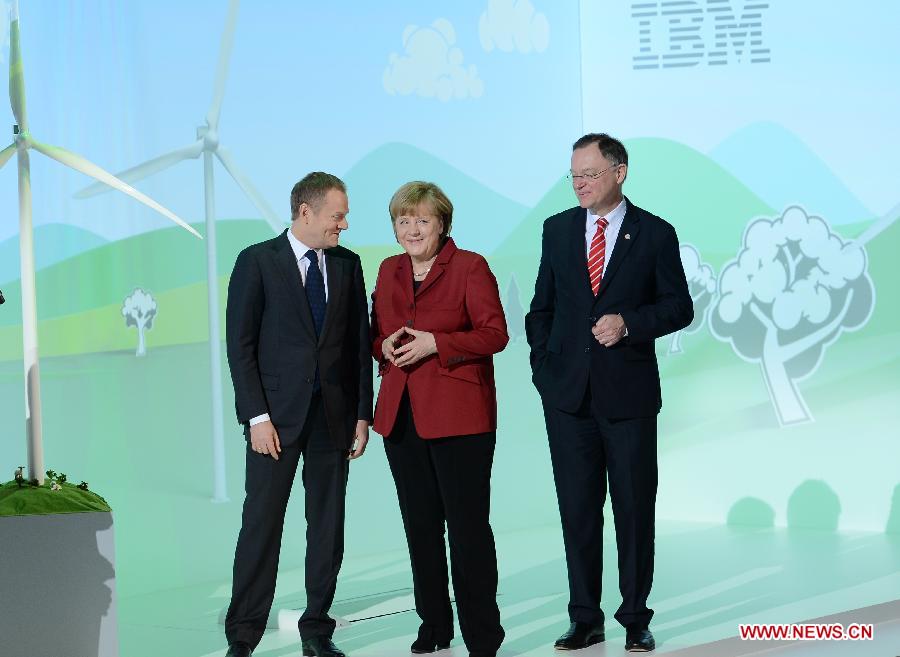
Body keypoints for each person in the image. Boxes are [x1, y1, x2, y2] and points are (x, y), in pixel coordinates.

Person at [526, 134, 693, 653]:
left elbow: (679, 307)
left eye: (590, 174)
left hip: (628, 399)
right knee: (577, 511)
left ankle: (635, 617)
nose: (579, 183)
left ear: (619, 173)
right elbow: (541, 309)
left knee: (633, 510)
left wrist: (630, 324)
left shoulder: (655, 234)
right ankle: (584, 618)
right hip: (568, 399)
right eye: (573, 175)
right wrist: (544, 369)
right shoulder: (557, 230)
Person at [223, 172, 373, 657]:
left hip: (333, 418)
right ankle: (243, 635)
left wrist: (362, 415)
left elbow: (358, 346)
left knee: (327, 527)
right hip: (275, 423)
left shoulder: (348, 266)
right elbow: (240, 346)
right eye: (337, 215)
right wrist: (256, 417)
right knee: (261, 524)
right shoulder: (257, 262)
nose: (344, 224)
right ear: (305, 211)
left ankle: (317, 630)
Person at [370, 181, 508, 657]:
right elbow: (375, 335)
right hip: (401, 420)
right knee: (420, 528)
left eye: (422, 220)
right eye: (402, 221)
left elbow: (495, 334)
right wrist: (381, 346)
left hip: (461, 420)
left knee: (468, 531)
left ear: (442, 224)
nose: (411, 229)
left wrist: (438, 343)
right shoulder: (388, 270)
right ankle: (434, 625)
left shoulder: (470, 266)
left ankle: (482, 635)